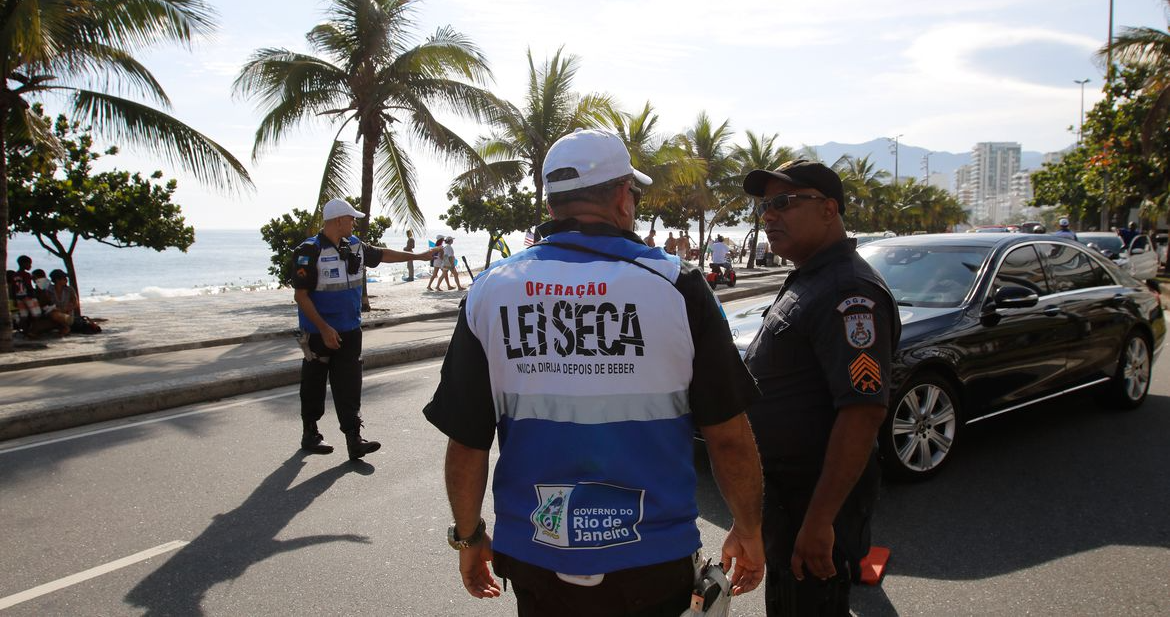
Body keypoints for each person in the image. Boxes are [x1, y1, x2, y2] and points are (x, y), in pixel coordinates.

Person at [424, 129, 765, 614]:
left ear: (552, 206)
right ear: (624, 197)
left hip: (534, 554)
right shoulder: (676, 285)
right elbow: (727, 435)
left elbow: (467, 441)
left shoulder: (490, 291)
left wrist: (468, 537)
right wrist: (748, 529)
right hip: (650, 557)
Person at [740, 159, 899, 617]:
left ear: (829, 209)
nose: (769, 215)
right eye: (765, 206)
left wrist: (820, 521)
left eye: (784, 202)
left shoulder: (849, 291)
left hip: (811, 500)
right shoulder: (813, 276)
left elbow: (863, 412)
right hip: (788, 497)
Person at [292, 198, 440, 459]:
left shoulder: (355, 246)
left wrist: (419, 257)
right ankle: (310, 433)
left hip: (350, 330)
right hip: (318, 333)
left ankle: (354, 439)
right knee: (314, 383)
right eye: (351, 218)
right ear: (338, 220)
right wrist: (324, 329)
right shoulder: (309, 251)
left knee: (349, 384)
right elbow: (301, 296)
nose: (354, 222)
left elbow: (383, 255)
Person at [46, 269, 78, 336]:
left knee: (54, 315)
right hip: (54, 313)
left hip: (67, 316)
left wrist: (64, 310)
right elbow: (47, 302)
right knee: (52, 315)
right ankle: (63, 328)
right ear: (57, 280)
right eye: (64, 278)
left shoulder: (69, 290)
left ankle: (65, 328)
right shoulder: (50, 290)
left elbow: (75, 304)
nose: (66, 280)